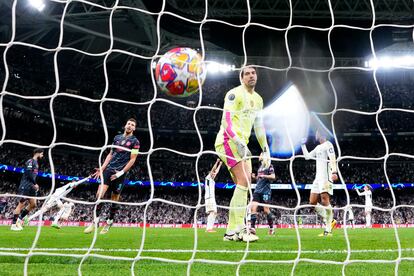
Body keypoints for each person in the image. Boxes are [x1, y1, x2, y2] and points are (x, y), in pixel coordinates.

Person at [215, 66, 271, 242]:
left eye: (253, 73)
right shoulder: (234, 94)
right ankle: (235, 230)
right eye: (247, 73)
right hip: (228, 140)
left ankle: (234, 231)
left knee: (245, 184)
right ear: (241, 78)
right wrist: (238, 142)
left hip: (242, 145)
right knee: (244, 179)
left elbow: (259, 127)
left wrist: (265, 148)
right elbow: (226, 121)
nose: (251, 75)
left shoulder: (259, 99)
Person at [84, 118, 140, 234]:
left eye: (132, 125)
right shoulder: (116, 138)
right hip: (109, 170)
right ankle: (95, 221)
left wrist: (121, 172)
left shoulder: (135, 142)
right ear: (125, 125)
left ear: (134, 128)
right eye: (128, 123)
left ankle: (109, 221)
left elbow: (132, 160)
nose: (130, 126)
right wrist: (102, 168)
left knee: (114, 200)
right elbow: (110, 154)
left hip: (120, 173)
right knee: (99, 194)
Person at [301, 130, 338, 237]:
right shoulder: (318, 148)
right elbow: (307, 157)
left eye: (317, 132)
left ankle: (328, 230)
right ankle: (329, 220)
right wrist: (303, 145)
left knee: (325, 200)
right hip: (317, 179)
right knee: (312, 201)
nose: (316, 134)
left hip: (326, 177)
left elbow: (332, 158)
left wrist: (334, 171)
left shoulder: (328, 144)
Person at [11, 148, 44, 231]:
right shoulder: (30, 161)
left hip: (31, 187)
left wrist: (33, 184)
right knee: (21, 205)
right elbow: (29, 173)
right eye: (42, 154)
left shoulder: (36, 163)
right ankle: (13, 225)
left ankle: (19, 220)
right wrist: (35, 183)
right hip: (25, 186)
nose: (42, 156)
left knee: (33, 204)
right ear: (38, 153)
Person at [250, 153, 276, 235]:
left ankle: (271, 227)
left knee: (266, 210)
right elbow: (259, 179)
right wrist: (254, 177)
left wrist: (264, 175)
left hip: (265, 191)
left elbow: (273, 176)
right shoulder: (260, 167)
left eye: (260, 154)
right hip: (257, 191)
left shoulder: (269, 166)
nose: (259, 156)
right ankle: (252, 228)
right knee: (253, 208)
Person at [204, 159, 222, 232]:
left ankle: (209, 228)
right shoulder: (208, 178)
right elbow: (213, 170)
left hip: (211, 198)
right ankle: (209, 228)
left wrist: (220, 165)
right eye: (212, 173)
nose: (214, 174)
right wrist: (217, 162)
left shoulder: (212, 180)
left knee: (214, 213)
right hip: (209, 198)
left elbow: (216, 172)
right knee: (213, 212)